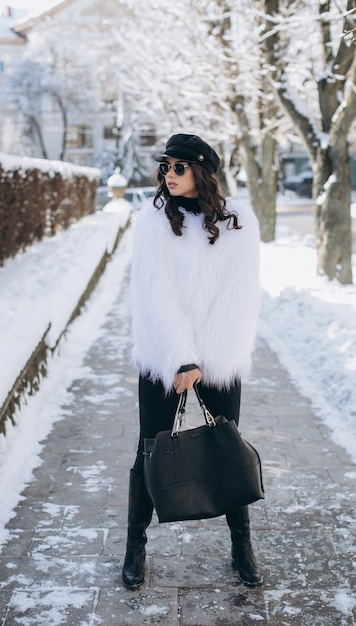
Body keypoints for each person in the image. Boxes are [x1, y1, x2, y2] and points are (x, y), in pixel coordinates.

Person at [122, 133, 262, 590]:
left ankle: (241, 545)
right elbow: (154, 294)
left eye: (178, 167)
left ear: (202, 171)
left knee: (227, 449)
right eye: (165, 166)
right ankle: (134, 547)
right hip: (164, 356)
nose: (169, 175)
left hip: (219, 357)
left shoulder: (239, 222)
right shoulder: (153, 220)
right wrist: (182, 358)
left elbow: (239, 295)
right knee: (150, 450)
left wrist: (204, 358)